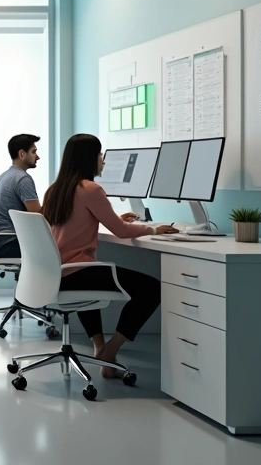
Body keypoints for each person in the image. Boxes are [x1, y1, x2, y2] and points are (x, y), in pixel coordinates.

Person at [42, 134, 178, 376]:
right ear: (89, 158)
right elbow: (121, 231)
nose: (103, 160)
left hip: (56, 272)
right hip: (77, 272)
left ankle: (99, 348)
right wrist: (153, 228)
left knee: (92, 276)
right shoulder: (91, 189)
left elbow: (75, 222)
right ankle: (110, 351)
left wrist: (112, 218)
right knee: (151, 289)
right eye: (100, 154)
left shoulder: (54, 190)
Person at [0, 134, 42, 259]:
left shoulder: (3, 177)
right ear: (22, 154)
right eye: (34, 152)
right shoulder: (22, 179)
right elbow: (38, 217)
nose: (38, 157)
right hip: (12, 243)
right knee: (62, 249)